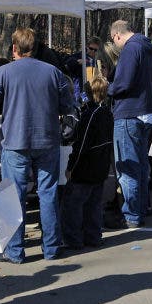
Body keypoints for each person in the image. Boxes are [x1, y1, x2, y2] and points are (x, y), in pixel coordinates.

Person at [0, 27, 74, 262]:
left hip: (15, 141)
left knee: (14, 197)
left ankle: (15, 251)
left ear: (14, 48)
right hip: (47, 140)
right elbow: (69, 106)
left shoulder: (3, 73)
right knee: (48, 193)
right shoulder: (53, 73)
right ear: (34, 48)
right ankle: (52, 247)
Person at [107, 20, 152, 227]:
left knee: (127, 167)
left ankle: (131, 214)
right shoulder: (146, 47)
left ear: (117, 35)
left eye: (114, 41)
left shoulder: (130, 49)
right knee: (142, 165)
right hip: (145, 110)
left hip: (129, 112)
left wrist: (107, 88)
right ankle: (142, 207)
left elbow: (123, 83)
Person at [60, 76, 114, 250]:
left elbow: (81, 144)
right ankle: (93, 236)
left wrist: (70, 166)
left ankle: (73, 239)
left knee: (73, 204)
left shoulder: (91, 115)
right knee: (93, 204)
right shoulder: (107, 113)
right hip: (100, 166)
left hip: (86, 167)